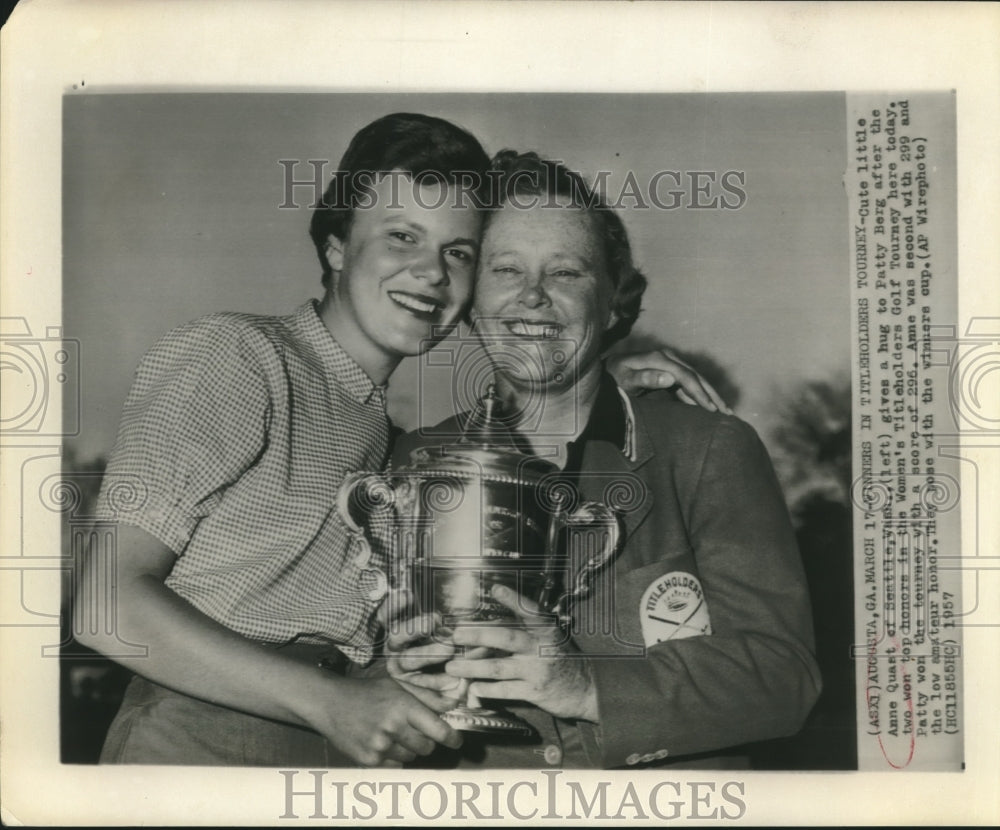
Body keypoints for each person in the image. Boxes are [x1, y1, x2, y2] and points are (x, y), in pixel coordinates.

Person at [76, 113, 720, 768]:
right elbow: (106, 605)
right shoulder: (238, 356)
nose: (431, 272)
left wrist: (592, 380)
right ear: (335, 246)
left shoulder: (389, 438)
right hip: (199, 744)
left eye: (458, 252)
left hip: (338, 748)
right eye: (402, 236)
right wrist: (329, 701)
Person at [387, 151, 822, 769]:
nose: (532, 296)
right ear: (467, 301)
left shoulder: (705, 452)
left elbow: (786, 677)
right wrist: (395, 666)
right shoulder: (415, 459)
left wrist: (587, 686)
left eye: (566, 273)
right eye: (505, 268)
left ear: (615, 302)